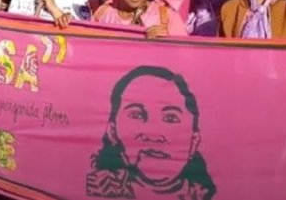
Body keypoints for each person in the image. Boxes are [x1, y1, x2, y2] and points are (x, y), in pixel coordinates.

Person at [87, 66, 216, 200]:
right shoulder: (93, 189)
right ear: (112, 132)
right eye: (136, 115)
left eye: (170, 118)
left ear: (194, 140)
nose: (153, 135)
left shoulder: (206, 194)